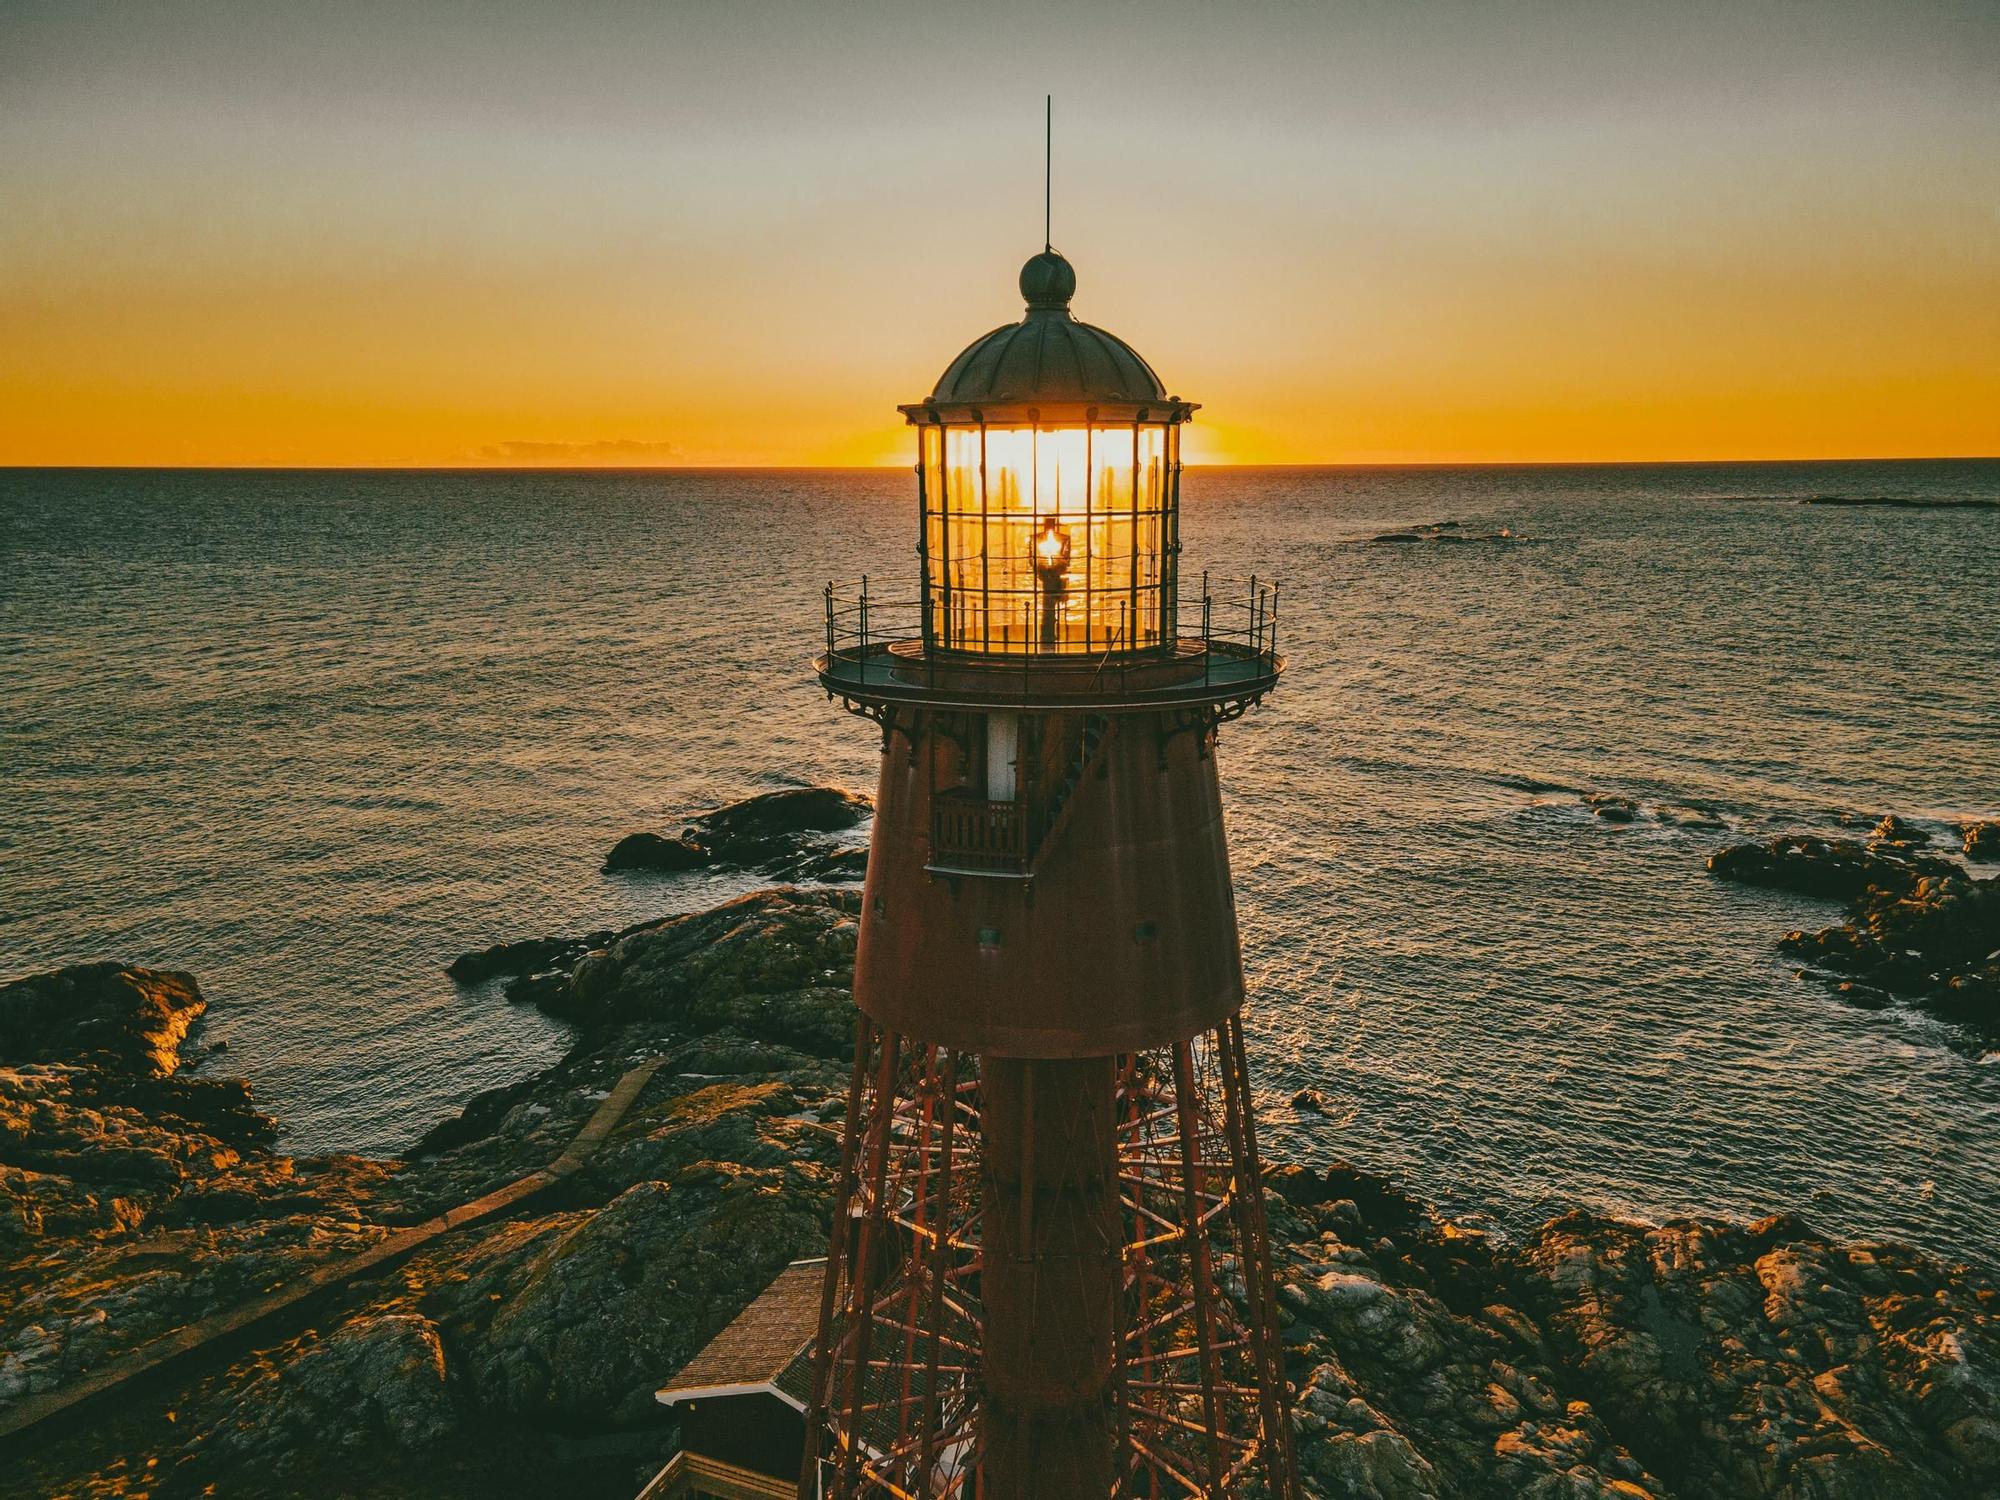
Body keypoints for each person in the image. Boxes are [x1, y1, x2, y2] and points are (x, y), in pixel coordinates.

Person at [1032, 518, 1071, 649]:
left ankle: (1047, 634)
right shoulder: (1063, 539)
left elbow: (1032, 557)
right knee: (1049, 606)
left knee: (1048, 606)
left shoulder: (1036, 539)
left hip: (1049, 575)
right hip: (1051, 575)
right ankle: (1048, 634)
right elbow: (1066, 558)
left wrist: (1043, 567)